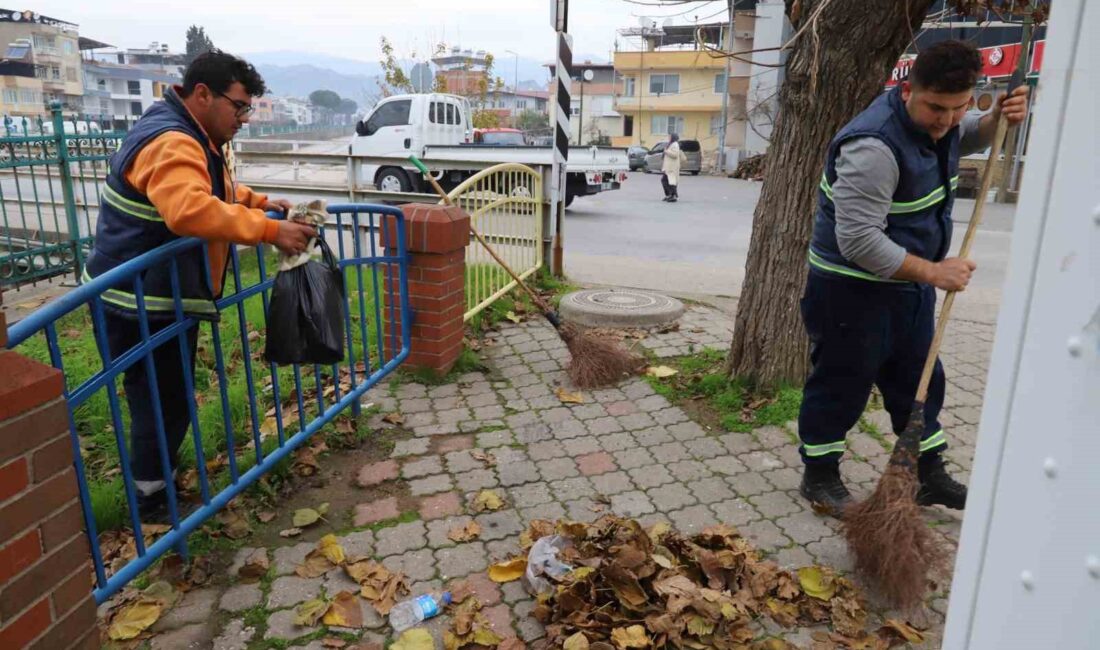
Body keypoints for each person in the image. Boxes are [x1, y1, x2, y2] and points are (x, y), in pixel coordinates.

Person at [797, 40, 1029, 515]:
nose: (945, 119)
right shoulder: (873, 147)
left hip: (908, 287)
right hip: (850, 288)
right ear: (907, 90)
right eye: (936, 108)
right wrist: (934, 272)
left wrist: (994, 121)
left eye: (959, 107)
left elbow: (965, 135)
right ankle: (819, 475)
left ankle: (928, 473)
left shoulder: (940, 124)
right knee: (842, 382)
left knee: (920, 378)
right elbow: (859, 240)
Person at [84, 50, 316, 519]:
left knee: (166, 396)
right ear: (203, 94)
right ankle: (151, 502)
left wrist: (261, 203)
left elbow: (214, 191)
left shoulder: (187, 131)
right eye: (240, 106)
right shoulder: (174, 141)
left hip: (148, 292)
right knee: (160, 399)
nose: (245, 118)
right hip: (139, 300)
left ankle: (157, 483)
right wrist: (271, 229)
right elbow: (189, 209)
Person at [661, 133, 687, 202]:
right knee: (665, 180)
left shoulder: (675, 144)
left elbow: (675, 155)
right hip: (668, 167)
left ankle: (673, 196)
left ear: (673, 137)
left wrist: (666, 151)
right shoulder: (670, 144)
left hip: (672, 167)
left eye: (670, 136)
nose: (668, 137)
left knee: (671, 181)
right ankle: (669, 195)